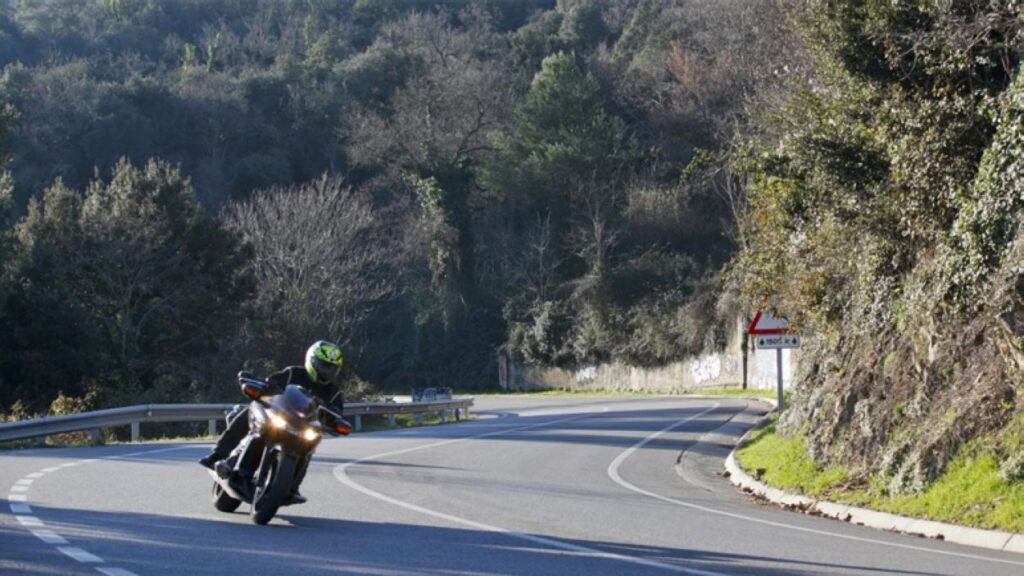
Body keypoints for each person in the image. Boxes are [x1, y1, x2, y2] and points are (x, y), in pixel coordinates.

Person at [199, 340, 346, 504]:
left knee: (310, 448)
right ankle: (218, 454)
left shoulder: (334, 393)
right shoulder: (293, 373)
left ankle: (292, 488)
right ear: (312, 361)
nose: (328, 371)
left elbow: (337, 413)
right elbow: (271, 382)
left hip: (303, 428)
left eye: (332, 368)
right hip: (279, 417)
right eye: (324, 366)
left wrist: (336, 421)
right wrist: (261, 384)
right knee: (250, 410)